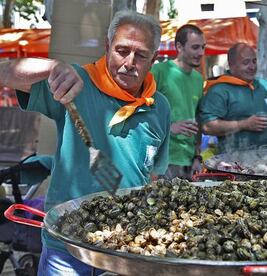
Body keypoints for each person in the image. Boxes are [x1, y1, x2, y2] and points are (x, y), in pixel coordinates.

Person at [0, 10, 170, 274]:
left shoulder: (160, 107)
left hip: (125, 249)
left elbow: (154, 176)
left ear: (154, 59)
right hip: (66, 246)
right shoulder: (76, 82)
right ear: (107, 47)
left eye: (141, 55)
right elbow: (5, 73)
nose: (129, 62)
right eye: (122, 50)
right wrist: (52, 67)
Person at [199, 43, 267, 153]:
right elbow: (207, 127)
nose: (252, 67)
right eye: (246, 62)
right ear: (231, 65)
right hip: (234, 161)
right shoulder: (219, 90)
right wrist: (243, 124)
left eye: (254, 61)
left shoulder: (262, 85)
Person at [151, 24, 205, 180]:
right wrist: (170, 128)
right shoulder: (158, 72)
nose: (201, 53)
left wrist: (197, 156)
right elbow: (140, 112)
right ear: (179, 47)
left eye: (203, 47)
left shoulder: (198, 78)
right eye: (195, 47)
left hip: (189, 162)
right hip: (162, 161)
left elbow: (197, 119)